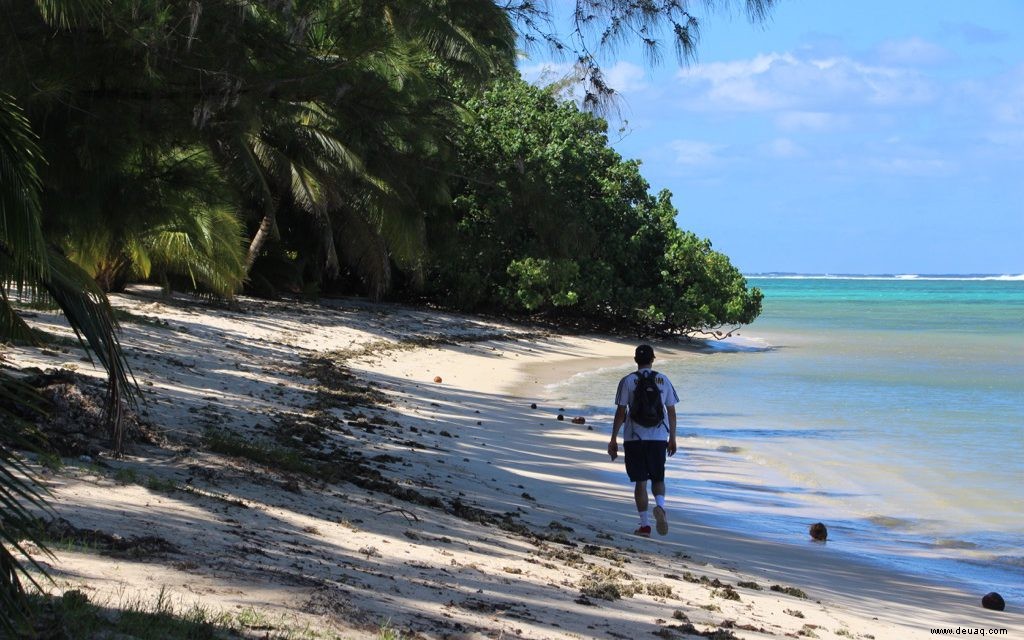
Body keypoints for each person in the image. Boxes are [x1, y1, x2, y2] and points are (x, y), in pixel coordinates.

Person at [607, 344, 679, 537]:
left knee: (640, 481)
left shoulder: (628, 381)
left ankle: (645, 525)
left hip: (634, 438)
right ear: (653, 359)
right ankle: (661, 506)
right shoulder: (663, 380)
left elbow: (621, 412)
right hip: (658, 437)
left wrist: (613, 438)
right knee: (658, 477)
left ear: (635, 360)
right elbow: (671, 412)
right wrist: (672, 437)